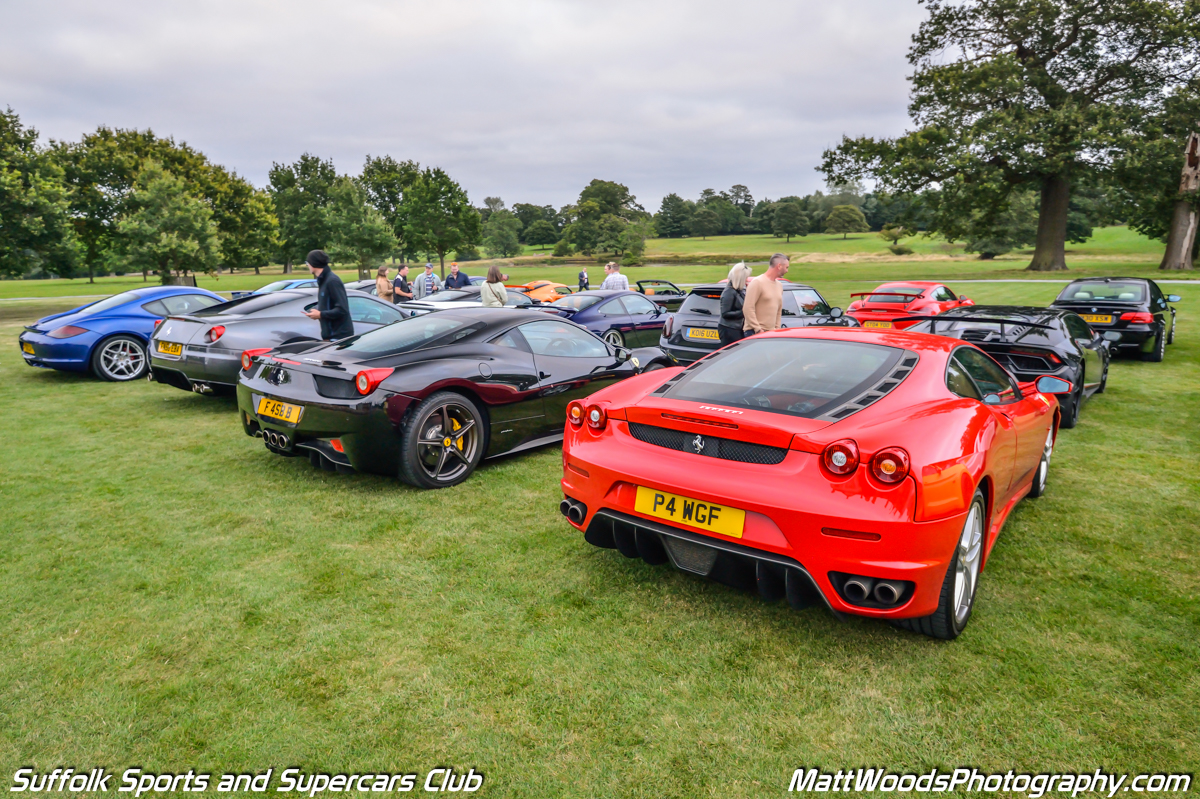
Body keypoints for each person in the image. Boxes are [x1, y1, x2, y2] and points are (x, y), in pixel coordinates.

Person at [302, 250, 353, 340]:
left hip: (339, 338)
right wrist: (316, 311)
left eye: (307, 263)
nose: (307, 266)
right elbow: (328, 304)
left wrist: (321, 314)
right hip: (329, 336)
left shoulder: (332, 281)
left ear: (313, 263)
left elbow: (342, 309)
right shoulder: (323, 280)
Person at [743, 253, 789, 336]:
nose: (787, 271)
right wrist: (758, 329)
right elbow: (748, 308)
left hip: (771, 333)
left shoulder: (779, 285)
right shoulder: (757, 282)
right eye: (786, 267)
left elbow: (778, 310)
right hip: (754, 332)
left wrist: (777, 329)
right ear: (779, 266)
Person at [718, 262, 751, 345]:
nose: (747, 280)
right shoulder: (729, 292)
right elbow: (725, 313)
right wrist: (743, 312)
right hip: (729, 329)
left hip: (737, 328)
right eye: (745, 278)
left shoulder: (739, 291)